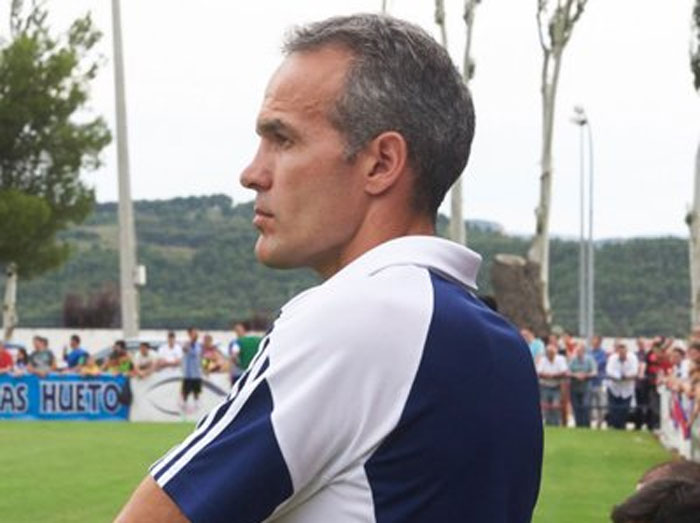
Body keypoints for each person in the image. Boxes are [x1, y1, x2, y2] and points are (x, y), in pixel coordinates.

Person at [117, 14, 542, 522]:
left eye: (284, 139)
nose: (252, 173)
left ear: (381, 163)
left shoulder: (358, 316)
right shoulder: (502, 346)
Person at [606, 341, 639, 429]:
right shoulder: (612, 358)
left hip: (627, 389)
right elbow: (609, 371)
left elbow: (635, 372)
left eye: (623, 352)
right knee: (614, 409)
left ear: (626, 351)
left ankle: (622, 426)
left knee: (624, 409)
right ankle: (614, 426)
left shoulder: (633, 358)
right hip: (614, 388)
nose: (622, 354)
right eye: (620, 352)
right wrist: (618, 377)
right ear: (618, 352)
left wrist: (625, 376)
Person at [537, 341, 569, 426]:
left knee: (556, 406)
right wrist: (551, 376)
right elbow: (539, 372)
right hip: (545, 386)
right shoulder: (543, 360)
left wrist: (552, 376)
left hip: (557, 386)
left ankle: (556, 424)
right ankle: (548, 424)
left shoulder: (561, 359)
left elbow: (564, 372)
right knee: (546, 407)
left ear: (555, 352)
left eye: (551, 353)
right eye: (548, 353)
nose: (550, 355)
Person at [568, 341, 597, 427]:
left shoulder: (590, 359)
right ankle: (578, 424)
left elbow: (594, 372)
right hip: (575, 386)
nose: (578, 352)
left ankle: (586, 424)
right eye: (577, 350)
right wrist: (575, 375)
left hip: (586, 386)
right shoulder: (573, 359)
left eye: (580, 350)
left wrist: (585, 375)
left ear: (584, 351)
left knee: (585, 405)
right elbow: (567, 371)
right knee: (576, 406)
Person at [180, 327, 203, 415]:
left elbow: (198, 355)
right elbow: (186, 350)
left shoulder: (198, 345)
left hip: (196, 373)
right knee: (185, 393)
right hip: (188, 374)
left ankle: (197, 411)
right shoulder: (186, 344)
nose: (196, 334)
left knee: (196, 393)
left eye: (196, 332)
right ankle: (184, 409)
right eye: (194, 333)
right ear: (189, 334)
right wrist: (189, 344)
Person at [589, 335, 608, 428]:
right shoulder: (589, 352)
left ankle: (600, 422)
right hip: (589, 382)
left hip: (599, 381)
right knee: (589, 403)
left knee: (600, 403)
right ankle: (590, 421)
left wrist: (590, 365)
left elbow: (599, 364)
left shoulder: (602, 353)